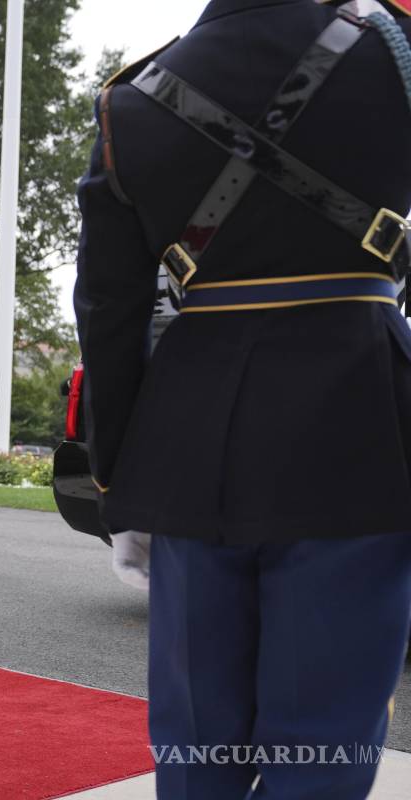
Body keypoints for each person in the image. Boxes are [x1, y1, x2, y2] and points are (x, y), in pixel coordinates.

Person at [75, 1, 411, 796]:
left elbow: (109, 312)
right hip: (357, 419)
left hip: (195, 439)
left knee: (197, 742)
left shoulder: (132, 99)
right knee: (323, 740)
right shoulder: (392, 57)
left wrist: (120, 477)